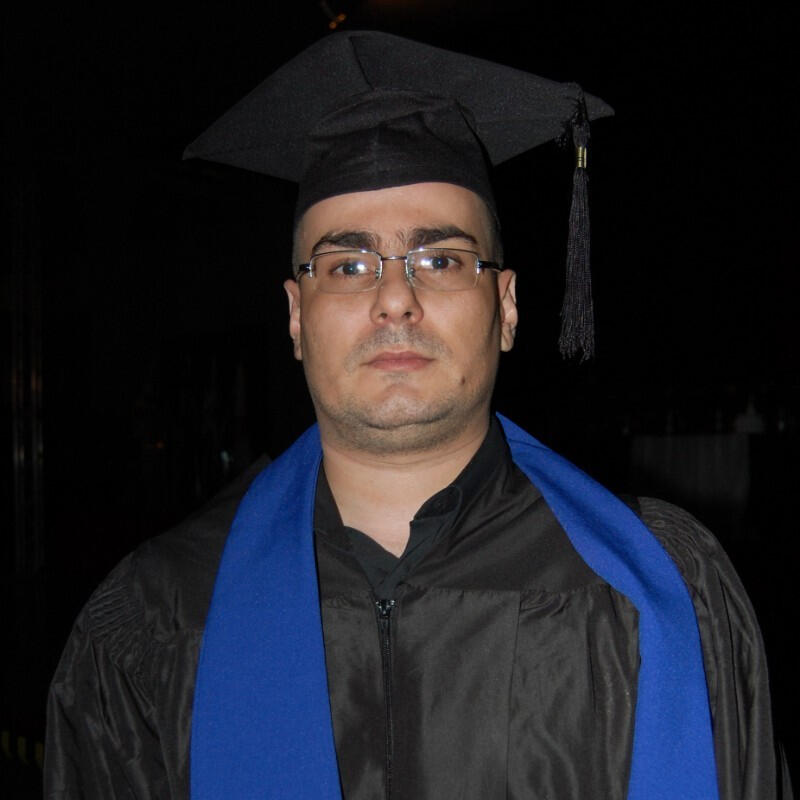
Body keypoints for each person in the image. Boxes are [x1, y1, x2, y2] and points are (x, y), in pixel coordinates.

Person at [45, 31, 791, 800]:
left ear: (506, 307)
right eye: (347, 265)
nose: (395, 299)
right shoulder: (157, 617)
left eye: (440, 260)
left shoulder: (660, 589)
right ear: (296, 316)